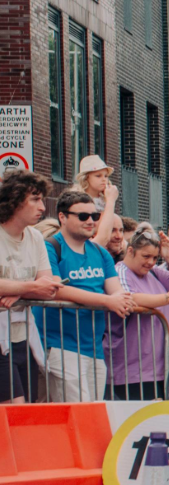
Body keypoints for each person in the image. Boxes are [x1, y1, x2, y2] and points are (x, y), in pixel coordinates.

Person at [41, 190, 131, 401]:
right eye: (83, 216)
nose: (91, 221)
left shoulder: (100, 252)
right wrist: (108, 301)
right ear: (62, 217)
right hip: (61, 345)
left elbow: (115, 289)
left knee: (93, 414)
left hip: (94, 347)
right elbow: (55, 289)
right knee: (75, 414)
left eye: (95, 216)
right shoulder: (49, 247)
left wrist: (120, 299)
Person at [106, 224, 169, 400]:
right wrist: (167, 298)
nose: (151, 262)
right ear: (130, 251)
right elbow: (129, 298)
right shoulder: (120, 271)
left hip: (161, 366)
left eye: (155, 257)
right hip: (132, 368)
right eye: (146, 256)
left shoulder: (153, 272)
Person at [0, 171, 64, 402]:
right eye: (35, 199)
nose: (42, 207)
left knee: (26, 410)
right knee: (14, 408)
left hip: (23, 335)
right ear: (15, 199)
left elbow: (51, 283)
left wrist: (17, 292)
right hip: (1, 337)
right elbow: (40, 285)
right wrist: (30, 287)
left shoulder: (36, 238)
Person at [73, 154, 120, 256]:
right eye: (98, 176)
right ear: (86, 178)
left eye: (106, 176)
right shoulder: (78, 199)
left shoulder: (105, 198)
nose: (104, 179)